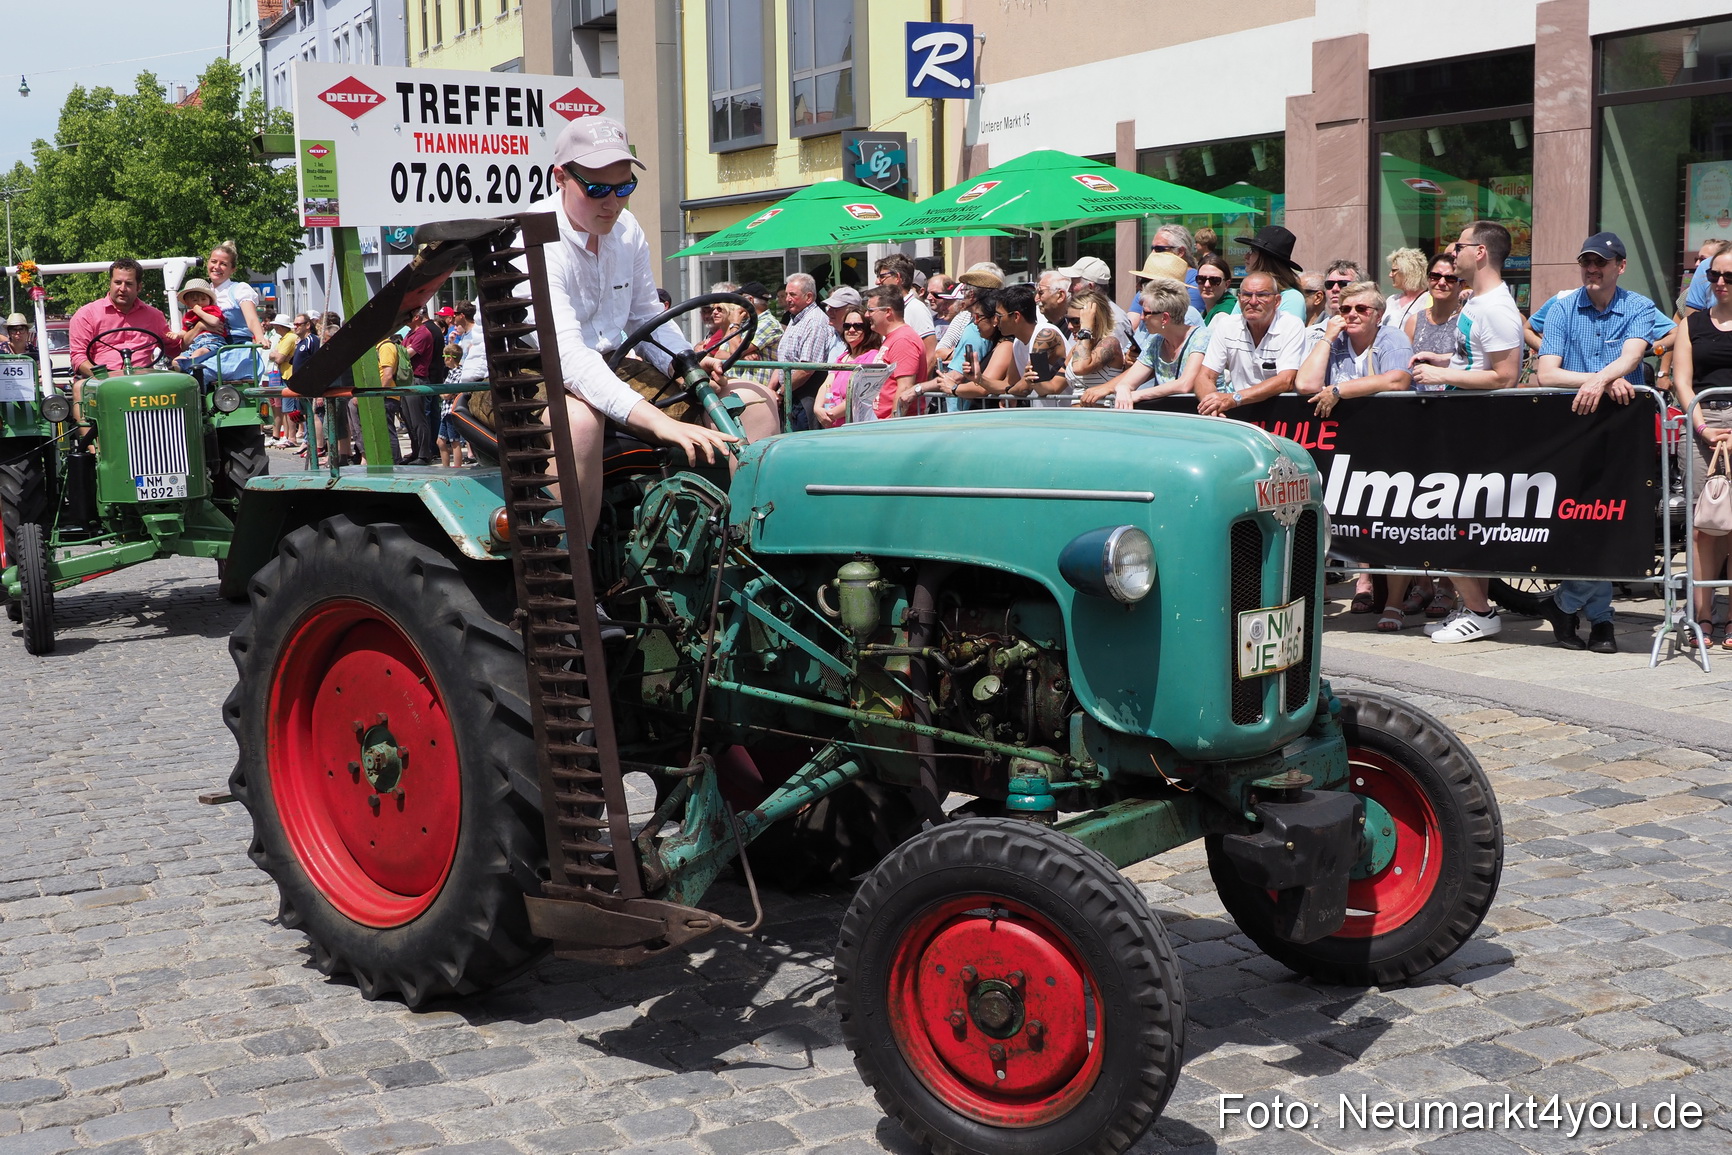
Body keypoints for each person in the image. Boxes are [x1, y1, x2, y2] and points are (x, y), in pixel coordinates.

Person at [515, 116, 738, 545]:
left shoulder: (627, 230)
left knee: (749, 400)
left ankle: (740, 553)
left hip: (607, 363)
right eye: (597, 189)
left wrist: (685, 363)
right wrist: (657, 422)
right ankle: (572, 580)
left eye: (624, 187)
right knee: (579, 422)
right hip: (522, 370)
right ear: (560, 177)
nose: (612, 203)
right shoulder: (534, 237)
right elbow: (568, 356)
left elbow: (645, 318)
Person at [1530, 232, 1674, 654]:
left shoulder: (1638, 307)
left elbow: (1632, 359)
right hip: (1571, 428)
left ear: (1620, 267)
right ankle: (1602, 622)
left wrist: (1606, 379)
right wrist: (1602, 382)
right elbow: (1547, 374)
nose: (1592, 270)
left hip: (1622, 430)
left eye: (1601, 263)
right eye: (1586, 263)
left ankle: (1567, 605)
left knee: (1612, 521)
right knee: (1582, 521)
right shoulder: (1561, 307)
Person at [1410, 221, 1524, 644]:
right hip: (1460, 423)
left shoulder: (1496, 307)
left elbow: (1504, 376)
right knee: (1446, 520)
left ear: (1480, 253)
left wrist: (1445, 374)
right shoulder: (1476, 300)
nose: (1450, 252)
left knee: (1449, 522)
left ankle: (1481, 612)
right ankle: (1471, 607)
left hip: (1479, 428)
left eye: (1458, 246)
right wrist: (1442, 360)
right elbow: (1474, 358)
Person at [1297, 281, 1418, 632]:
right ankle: (1340, 591)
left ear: (1378, 315)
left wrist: (1339, 389)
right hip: (1344, 448)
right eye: (1345, 309)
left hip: (1392, 445)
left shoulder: (1391, 338)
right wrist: (1325, 337)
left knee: (1390, 523)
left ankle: (1394, 604)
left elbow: (1398, 380)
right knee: (1335, 521)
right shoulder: (1334, 340)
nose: (1351, 315)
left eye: (1361, 310)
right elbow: (1305, 385)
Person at [1670, 243, 1732, 651]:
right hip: (1701, 423)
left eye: (1729, 276)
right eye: (1713, 276)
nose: (1721, 283)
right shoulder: (1692, 324)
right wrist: (1701, 426)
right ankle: (1702, 617)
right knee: (1703, 525)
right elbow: (1681, 381)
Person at [68, 259, 184, 425]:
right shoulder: (87, 314)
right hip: (102, 381)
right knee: (79, 387)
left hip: (144, 382)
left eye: (129, 284)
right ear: (110, 283)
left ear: (139, 287)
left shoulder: (154, 316)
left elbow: (174, 348)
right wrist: (104, 376)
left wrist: (194, 331)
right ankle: (93, 447)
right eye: (117, 282)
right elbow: (78, 357)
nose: (122, 289)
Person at [1193, 271, 1307, 416]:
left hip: (1281, 414)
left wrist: (1234, 398)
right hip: (1240, 412)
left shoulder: (1291, 325)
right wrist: (1211, 405)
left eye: (1262, 295)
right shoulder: (1226, 325)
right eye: (1247, 295)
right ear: (1239, 298)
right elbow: (1205, 376)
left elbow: (1286, 380)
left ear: (1277, 301)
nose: (1253, 301)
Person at [1084, 278, 1207, 408]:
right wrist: (1122, 389)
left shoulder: (1201, 337)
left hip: (1203, 417)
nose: (1142, 317)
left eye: (1146, 313)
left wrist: (1139, 395)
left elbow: (1184, 384)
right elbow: (1127, 382)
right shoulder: (1155, 342)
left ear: (1165, 318)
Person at [983, 282, 1069, 406]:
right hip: (1042, 416)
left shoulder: (1045, 334)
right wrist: (978, 378)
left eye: (999, 316)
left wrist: (1008, 392)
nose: (995, 322)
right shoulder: (1017, 342)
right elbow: (1010, 383)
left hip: (1064, 415)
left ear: (1016, 316)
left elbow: (1025, 386)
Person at [777, 272, 833, 429]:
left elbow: (806, 369)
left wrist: (782, 392)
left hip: (805, 397)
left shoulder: (814, 321)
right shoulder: (795, 319)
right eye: (786, 294)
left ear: (809, 297)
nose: (787, 299)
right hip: (792, 395)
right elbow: (784, 359)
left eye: (792, 295)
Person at [864, 287, 928, 419]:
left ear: (888, 311)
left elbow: (905, 389)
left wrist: (891, 424)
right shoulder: (893, 338)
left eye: (871, 310)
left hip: (895, 428)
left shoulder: (903, 340)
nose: (866, 315)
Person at [1054, 256, 1138, 355]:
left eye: (1073, 284)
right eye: (1071, 320)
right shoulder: (1083, 311)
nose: (1069, 289)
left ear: (1090, 287)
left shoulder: (1115, 318)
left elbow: (1119, 360)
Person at [1060, 288, 1125, 406]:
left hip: (1102, 420)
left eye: (1076, 321)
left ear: (1095, 320)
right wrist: (1033, 379)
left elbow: (1080, 368)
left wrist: (1085, 329)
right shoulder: (1076, 349)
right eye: (1067, 320)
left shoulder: (1110, 343)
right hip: (1076, 420)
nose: (1069, 326)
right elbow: (1053, 386)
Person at [816, 308, 880, 428]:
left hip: (853, 426)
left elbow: (860, 397)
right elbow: (827, 385)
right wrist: (817, 408)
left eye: (858, 326)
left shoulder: (872, 357)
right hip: (832, 424)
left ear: (867, 329)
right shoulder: (843, 357)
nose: (851, 330)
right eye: (847, 326)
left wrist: (830, 415)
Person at [875, 254, 937, 375]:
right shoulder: (895, 309)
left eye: (882, 277)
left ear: (897, 278)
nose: (877, 282)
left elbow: (930, 354)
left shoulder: (916, 308)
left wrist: (915, 388)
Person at [1404, 253, 1463, 381]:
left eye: (1450, 278)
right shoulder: (1414, 321)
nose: (1441, 282)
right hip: (1418, 396)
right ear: (1427, 280)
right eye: (1435, 276)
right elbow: (1404, 365)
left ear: (1461, 285)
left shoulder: (1466, 320)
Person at [1236, 226, 1307, 320]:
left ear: (1267, 259)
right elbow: (1231, 329)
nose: (1246, 256)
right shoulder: (1247, 294)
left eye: (1253, 251)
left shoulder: (1292, 298)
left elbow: (1287, 332)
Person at [172, 278, 228, 379]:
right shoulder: (188, 316)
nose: (200, 303)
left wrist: (199, 312)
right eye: (195, 300)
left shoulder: (211, 309)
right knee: (176, 360)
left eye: (203, 299)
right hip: (195, 344)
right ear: (188, 303)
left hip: (212, 341)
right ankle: (184, 374)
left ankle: (190, 371)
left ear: (209, 300)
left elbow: (214, 322)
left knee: (198, 353)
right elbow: (184, 332)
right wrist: (177, 335)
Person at [1149, 223, 1206, 312]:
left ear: (1180, 251)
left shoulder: (1197, 281)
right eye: (1152, 248)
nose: (1152, 254)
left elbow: (1183, 319)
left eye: (1159, 249)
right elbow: (1134, 318)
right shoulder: (1151, 278)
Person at [1383, 248, 1429, 331]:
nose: (1390, 275)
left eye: (1394, 271)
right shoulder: (1391, 300)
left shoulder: (1428, 300)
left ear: (1407, 271)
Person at [1197, 255, 1236, 322]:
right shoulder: (1208, 310)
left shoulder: (1223, 316)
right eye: (1201, 279)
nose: (1207, 285)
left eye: (1214, 280)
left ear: (1227, 284)